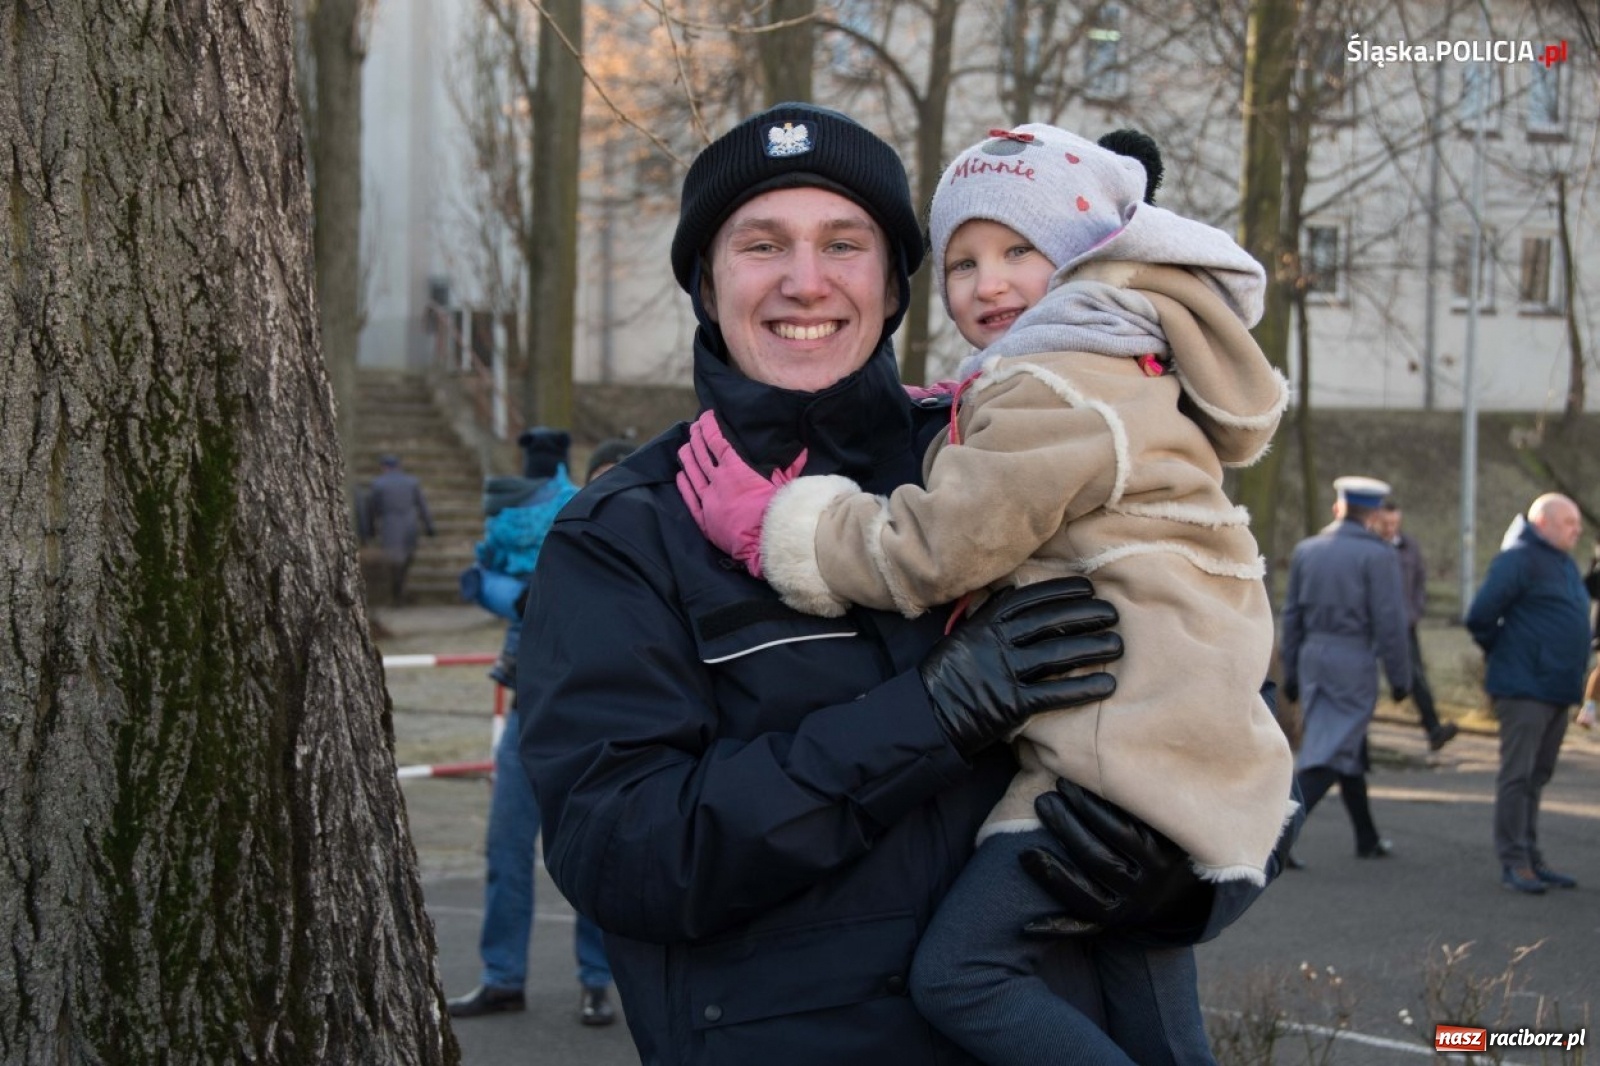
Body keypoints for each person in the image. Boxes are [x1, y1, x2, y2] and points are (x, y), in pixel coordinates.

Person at [516, 102, 1295, 1066]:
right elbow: (627, 854)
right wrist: (926, 720)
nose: (806, 281)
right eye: (762, 244)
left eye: (844, 243)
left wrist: (1187, 883)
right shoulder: (630, 531)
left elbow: (1222, 680)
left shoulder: (1015, 454)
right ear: (705, 285)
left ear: (893, 287)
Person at [447, 430, 621, 1026]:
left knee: (593, 854)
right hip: (527, 715)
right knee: (505, 849)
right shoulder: (549, 531)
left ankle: (597, 980)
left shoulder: (646, 551)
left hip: (598, 722)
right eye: (603, 481)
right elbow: (492, 575)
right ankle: (502, 980)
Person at [1280, 476, 1411, 865]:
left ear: (1339, 507)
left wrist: (1290, 670)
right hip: (1351, 660)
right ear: (1372, 512)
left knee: (1343, 746)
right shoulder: (1378, 555)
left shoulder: (1308, 549)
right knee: (1329, 755)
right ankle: (1275, 835)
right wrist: (1401, 678)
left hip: (1312, 657)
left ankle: (1367, 837)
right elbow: (1390, 622)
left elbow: (1292, 614)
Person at [1465, 493, 1590, 894]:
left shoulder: (1564, 564)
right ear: (1543, 523)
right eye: (1569, 522)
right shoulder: (1518, 558)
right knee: (1517, 776)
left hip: (1556, 688)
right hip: (1525, 687)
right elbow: (1480, 616)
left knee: (1538, 775)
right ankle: (1514, 861)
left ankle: (1532, 857)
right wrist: (1512, 652)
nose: (1578, 529)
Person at [1373, 499, 1458, 751]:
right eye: (1386, 523)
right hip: (1374, 624)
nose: (1391, 529)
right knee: (1365, 678)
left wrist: (1415, 610)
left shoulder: (1409, 547)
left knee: (1416, 676)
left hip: (1404, 624)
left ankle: (1433, 730)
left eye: (1395, 524)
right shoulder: (1367, 548)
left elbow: (1420, 580)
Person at [358, 454, 435, 605]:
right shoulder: (412, 482)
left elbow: (371, 510)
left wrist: (368, 532)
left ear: (383, 467)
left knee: (394, 560)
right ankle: (399, 590)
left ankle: (397, 592)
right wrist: (429, 526)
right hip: (410, 525)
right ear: (399, 466)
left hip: (390, 526)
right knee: (406, 557)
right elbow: (422, 506)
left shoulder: (378, 484)